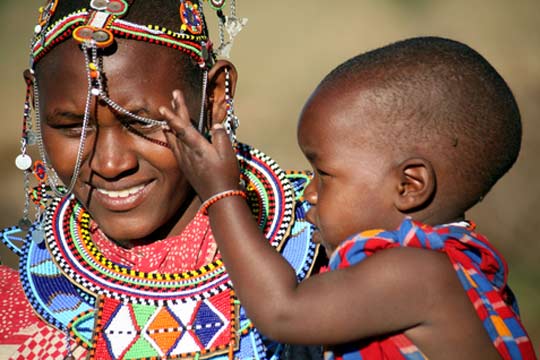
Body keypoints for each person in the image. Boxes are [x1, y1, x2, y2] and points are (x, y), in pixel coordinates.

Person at [160, 36, 537, 359]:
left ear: (409, 186)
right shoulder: (456, 267)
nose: (308, 193)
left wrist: (221, 193)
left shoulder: (418, 273)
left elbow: (281, 311)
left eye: (324, 175)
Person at [0, 1, 322, 359]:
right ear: (35, 98)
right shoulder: (15, 304)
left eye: (142, 123)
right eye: (72, 127)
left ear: (215, 97)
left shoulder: (328, 252)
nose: (110, 163)